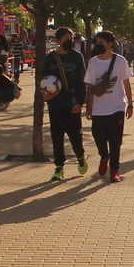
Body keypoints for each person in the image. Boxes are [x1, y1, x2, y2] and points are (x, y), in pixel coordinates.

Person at [39, 26, 88, 181]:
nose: (70, 41)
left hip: (72, 103)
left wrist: (80, 102)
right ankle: (59, 167)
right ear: (58, 41)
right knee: (57, 136)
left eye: (71, 38)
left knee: (75, 134)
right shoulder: (50, 58)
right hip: (55, 104)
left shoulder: (77, 57)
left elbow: (82, 82)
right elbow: (43, 80)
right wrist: (45, 96)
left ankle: (80, 155)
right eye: (66, 39)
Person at [84, 31, 133, 183]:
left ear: (110, 44)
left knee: (115, 139)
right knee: (98, 137)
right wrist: (89, 106)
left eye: (101, 42)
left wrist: (130, 104)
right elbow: (90, 86)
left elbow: (126, 83)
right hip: (99, 107)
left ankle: (114, 169)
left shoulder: (120, 61)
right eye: (96, 41)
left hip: (117, 106)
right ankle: (104, 156)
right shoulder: (93, 62)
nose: (98, 44)